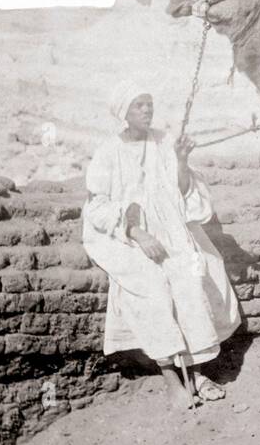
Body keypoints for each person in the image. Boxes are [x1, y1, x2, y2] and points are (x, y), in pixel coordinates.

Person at [83, 81, 242, 410]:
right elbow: (97, 207)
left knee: (190, 280)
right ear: (123, 112)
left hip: (171, 229)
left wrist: (182, 160)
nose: (146, 109)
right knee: (153, 289)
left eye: (149, 103)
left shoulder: (164, 141)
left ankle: (197, 373)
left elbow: (182, 192)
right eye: (138, 105)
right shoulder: (108, 152)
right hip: (126, 236)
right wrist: (138, 235)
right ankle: (172, 378)